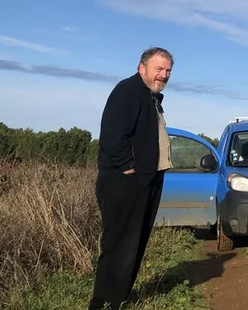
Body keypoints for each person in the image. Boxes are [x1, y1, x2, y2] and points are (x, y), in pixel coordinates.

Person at [88, 47, 175, 310]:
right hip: (124, 183)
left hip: (147, 180)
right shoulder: (127, 91)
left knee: (135, 243)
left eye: (168, 70)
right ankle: (102, 301)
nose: (164, 74)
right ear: (142, 68)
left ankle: (119, 298)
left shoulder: (150, 97)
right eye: (159, 69)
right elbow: (113, 136)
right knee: (119, 243)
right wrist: (129, 168)